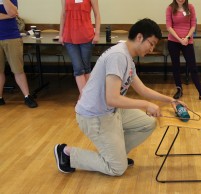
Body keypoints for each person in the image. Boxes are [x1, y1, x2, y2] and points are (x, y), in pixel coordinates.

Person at [54, 18, 185, 176]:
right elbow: (112, 98)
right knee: (117, 168)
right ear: (139, 37)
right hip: (95, 116)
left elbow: (142, 89)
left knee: (148, 123)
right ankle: (67, 153)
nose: (151, 49)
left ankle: (116, 156)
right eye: (151, 43)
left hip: (111, 111)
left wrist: (171, 100)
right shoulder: (118, 56)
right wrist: (146, 105)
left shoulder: (127, 57)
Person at [166, 0, 201, 101]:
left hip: (187, 41)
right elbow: (169, 27)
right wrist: (179, 39)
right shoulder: (170, 8)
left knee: (193, 67)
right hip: (173, 41)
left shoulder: (190, 7)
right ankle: (179, 89)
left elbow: (193, 25)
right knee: (176, 66)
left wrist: (186, 38)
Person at [59, 0, 101, 98]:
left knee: (86, 68)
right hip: (69, 36)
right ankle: (84, 98)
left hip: (87, 35)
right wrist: (60, 34)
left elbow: (97, 14)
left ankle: (88, 96)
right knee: (78, 68)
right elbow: (63, 15)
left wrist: (97, 33)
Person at [0, 0, 38, 108]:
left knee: (18, 69)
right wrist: (8, 16)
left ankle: (27, 96)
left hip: (12, 37)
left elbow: (12, 12)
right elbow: (11, 15)